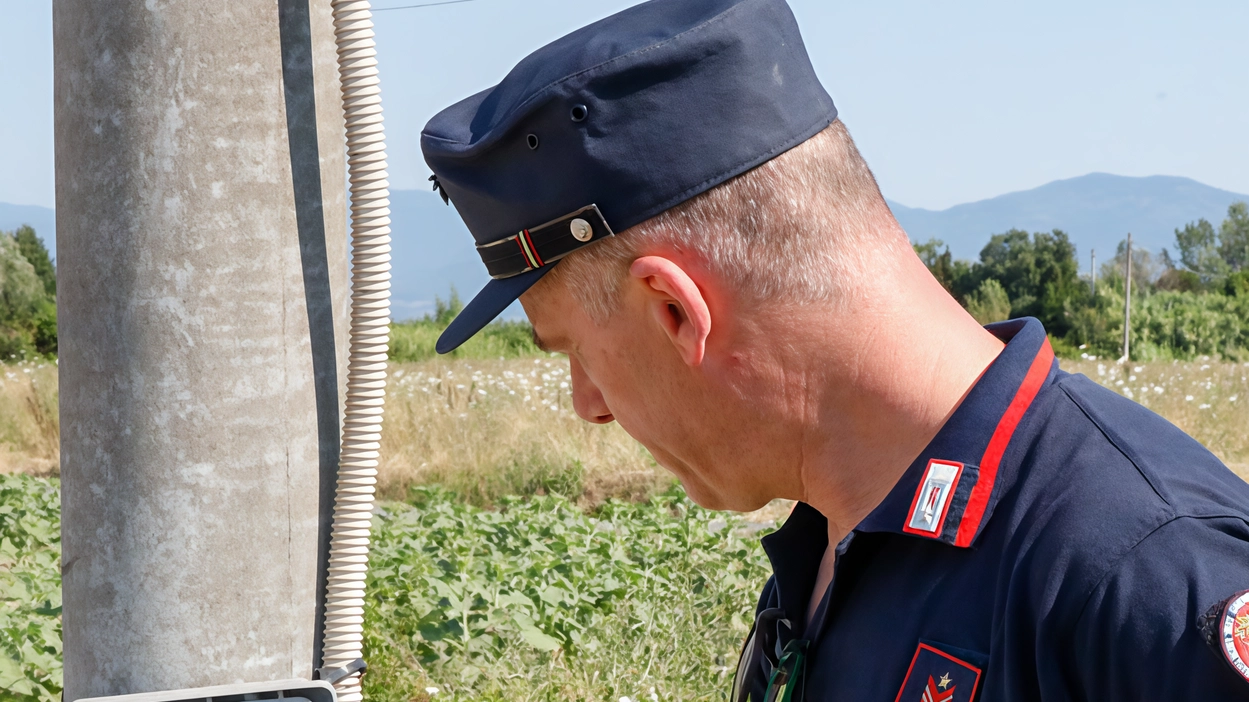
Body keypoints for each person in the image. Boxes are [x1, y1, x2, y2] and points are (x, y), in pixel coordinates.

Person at [419, 0, 1249, 698]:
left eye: (575, 351)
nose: (587, 405)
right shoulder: (834, 543)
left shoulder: (1149, 578)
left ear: (674, 309)